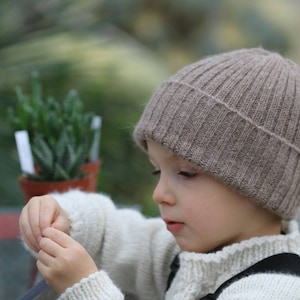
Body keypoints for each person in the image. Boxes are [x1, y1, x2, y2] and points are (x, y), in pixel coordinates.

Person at [19, 48, 300, 299]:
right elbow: (114, 236)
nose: (159, 194)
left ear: (261, 186)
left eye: (186, 173)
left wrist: (84, 289)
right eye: (157, 170)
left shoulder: (276, 289)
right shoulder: (190, 251)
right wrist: (64, 218)